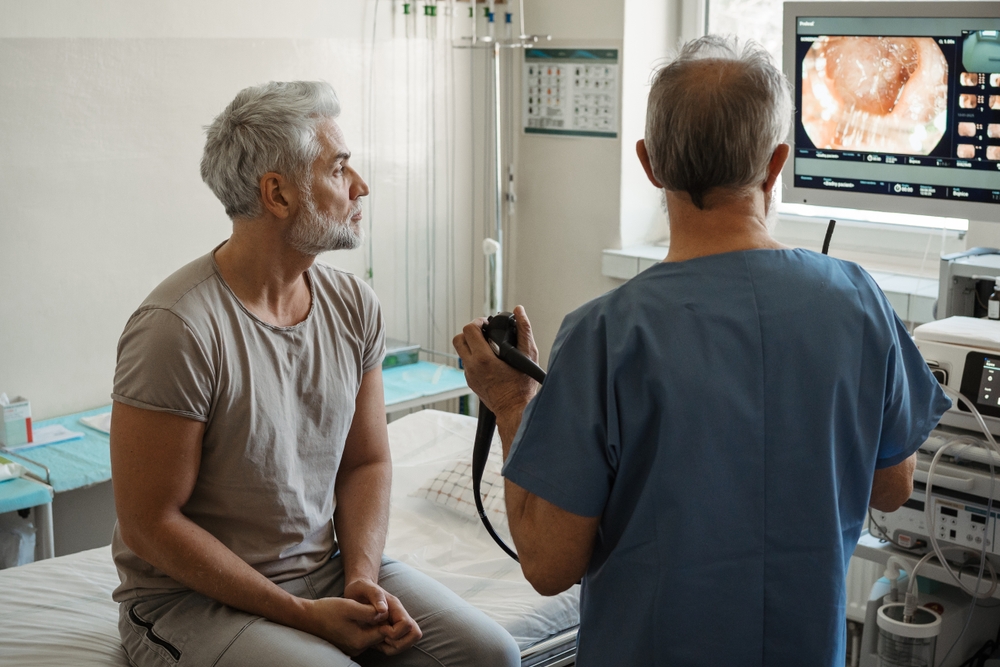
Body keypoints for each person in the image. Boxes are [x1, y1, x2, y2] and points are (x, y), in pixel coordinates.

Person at [453, 37, 950, 666]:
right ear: (776, 165)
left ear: (650, 164)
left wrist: (510, 401)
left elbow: (549, 565)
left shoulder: (605, 334)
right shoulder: (858, 302)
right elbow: (892, 486)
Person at [109, 81, 520, 667]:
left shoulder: (353, 305)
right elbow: (150, 524)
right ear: (276, 193)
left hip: (324, 570)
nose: (361, 187)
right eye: (339, 169)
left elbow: (367, 462)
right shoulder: (177, 329)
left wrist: (360, 577)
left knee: (492, 655)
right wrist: (304, 617)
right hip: (189, 600)